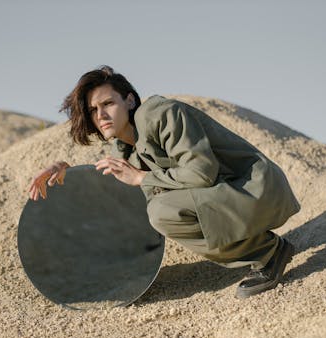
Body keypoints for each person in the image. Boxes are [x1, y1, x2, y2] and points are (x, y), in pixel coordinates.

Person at [28, 65, 300, 299]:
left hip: (255, 189)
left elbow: (202, 172)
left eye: (108, 103)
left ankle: (268, 253)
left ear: (130, 101)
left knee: (162, 211)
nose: (100, 115)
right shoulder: (125, 146)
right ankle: (259, 245)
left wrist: (142, 177)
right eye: (93, 109)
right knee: (154, 203)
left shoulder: (159, 114)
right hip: (232, 197)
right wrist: (66, 170)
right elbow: (116, 195)